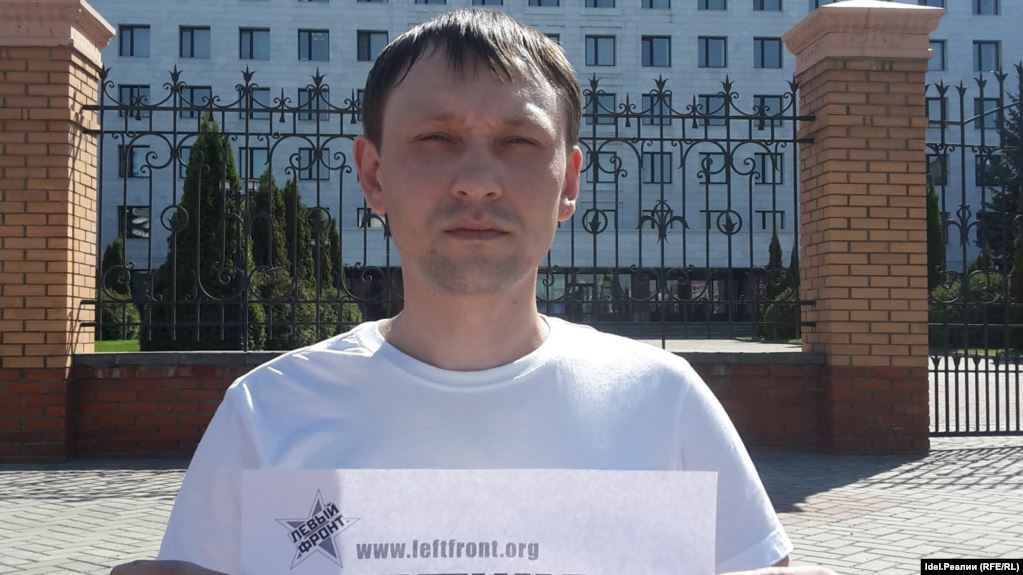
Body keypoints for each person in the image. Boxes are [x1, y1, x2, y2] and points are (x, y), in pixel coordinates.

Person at [112, 9, 834, 575]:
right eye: (436, 139)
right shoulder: (267, 412)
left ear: (569, 182)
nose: (478, 181)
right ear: (373, 175)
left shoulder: (663, 402)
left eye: (519, 142)